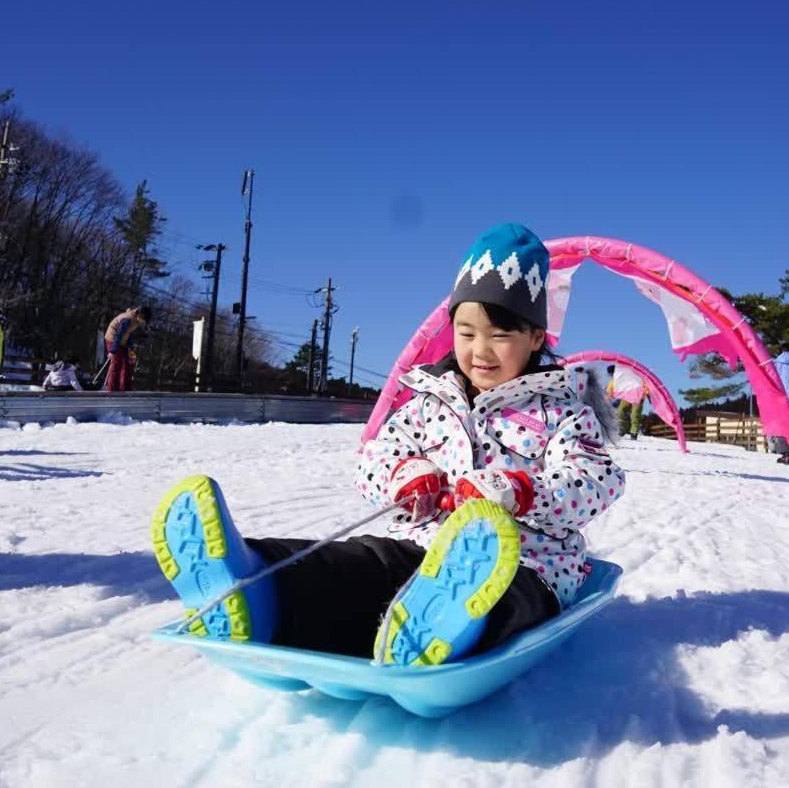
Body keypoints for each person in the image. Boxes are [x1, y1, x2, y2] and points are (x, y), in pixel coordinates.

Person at [150, 223, 625, 666]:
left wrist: (519, 490)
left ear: (536, 336)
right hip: (419, 547)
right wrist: (403, 476)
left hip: (526, 562)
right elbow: (376, 458)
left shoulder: (560, 412)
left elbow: (597, 479)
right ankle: (255, 584)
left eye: (500, 336)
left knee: (507, 600)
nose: (480, 350)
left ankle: (446, 630)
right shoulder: (429, 403)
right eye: (466, 333)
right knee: (355, 567)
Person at [104, 307, 151, 392]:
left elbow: (129, 333)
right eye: (143, 320)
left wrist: (131, 346)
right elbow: (118, 335)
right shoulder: (127, 319)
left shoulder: (136, 320)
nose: (143, 323)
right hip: (113, 339)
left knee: (129, 362)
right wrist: (112, 351)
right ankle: (112, 388)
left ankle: (125, 387)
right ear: (140, 316)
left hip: (123, 341)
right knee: (116, 363)